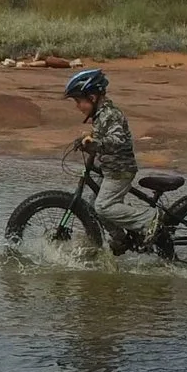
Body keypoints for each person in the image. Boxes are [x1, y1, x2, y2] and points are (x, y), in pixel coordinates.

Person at [63, 69, 156, 246]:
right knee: (94, 206)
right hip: (109, 168)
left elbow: (117, 140)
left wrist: (95, 143)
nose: (77, 106)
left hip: (120, 170)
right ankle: (120, 238)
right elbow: (101, 137)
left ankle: (149, 219)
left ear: (92, 97)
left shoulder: (111, 115)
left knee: (103, 206)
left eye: (78, 101)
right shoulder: (100, 115)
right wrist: (87, 139)